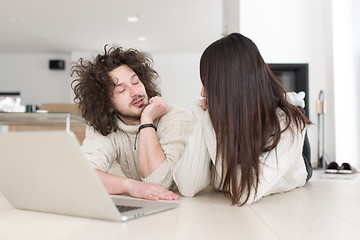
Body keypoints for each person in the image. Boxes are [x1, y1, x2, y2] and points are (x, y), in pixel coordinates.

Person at [173, 33, 312, 205]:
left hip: (295, 163)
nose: (202, 93)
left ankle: (288, 102)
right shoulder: (212, 115)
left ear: (230, 85)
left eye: (208, 83)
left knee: (288, 117)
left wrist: (209, 122)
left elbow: (245, 192)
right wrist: (203, 117)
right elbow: (188, 186)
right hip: (245, 122)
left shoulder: (289, 124)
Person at [71, 45, 192, 201]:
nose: (136, 93)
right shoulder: (108, 126)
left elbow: (160, 182)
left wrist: (147, 120)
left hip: (192, 207)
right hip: (153, 207)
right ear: (107, 105)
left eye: (135, 82)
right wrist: (129, 185)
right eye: (121, 90)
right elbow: (82, 174)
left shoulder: (176, 117)